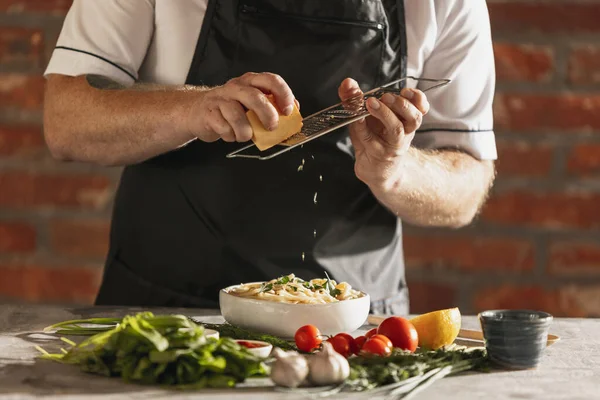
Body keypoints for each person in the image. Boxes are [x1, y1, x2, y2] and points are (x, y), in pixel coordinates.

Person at [42, 0, 497, 315]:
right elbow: (66, 119)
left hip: (351, 331)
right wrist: (191, 109)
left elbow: (468, 187)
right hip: (167, 311)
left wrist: (399, 171)